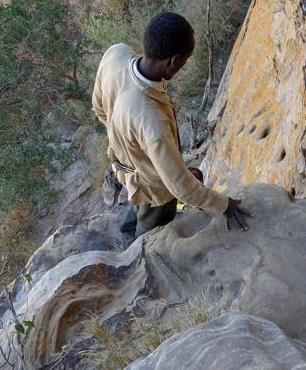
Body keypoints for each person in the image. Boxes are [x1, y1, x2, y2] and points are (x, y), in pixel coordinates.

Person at [92, 12, 252, 238]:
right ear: (174, 61)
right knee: (150, 233)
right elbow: (180, 187)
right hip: (154, 189)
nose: (181, 67)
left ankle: (126, 232)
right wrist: (224, 206)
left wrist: (130, 145)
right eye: (183, 62)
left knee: (134, 205)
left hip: (124, 167)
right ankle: (135, 254)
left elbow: (98, 107)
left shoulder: (116, 54)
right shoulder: (151, 119)